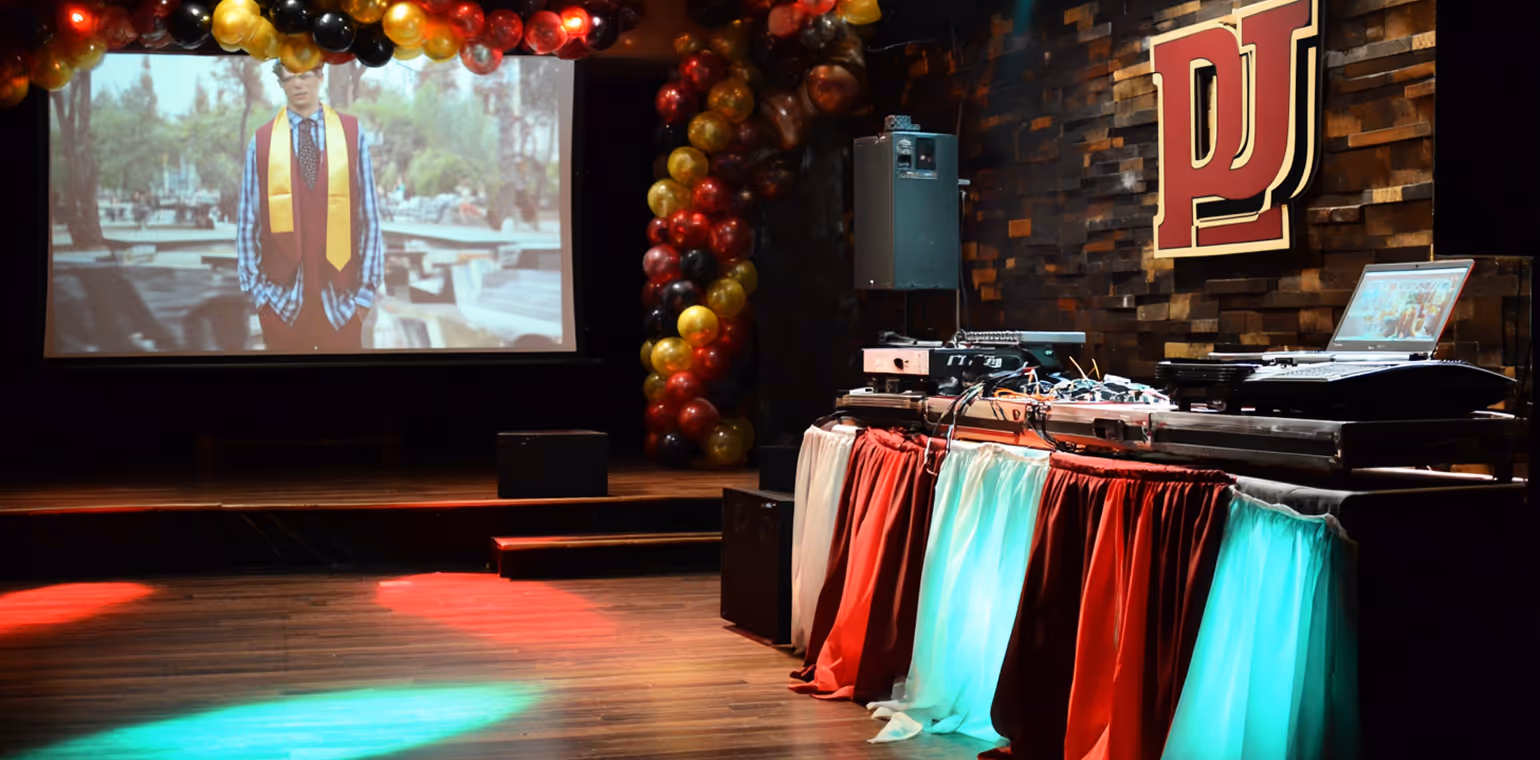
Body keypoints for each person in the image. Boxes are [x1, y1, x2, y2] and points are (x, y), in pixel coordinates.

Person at [237, 63, 383, 352]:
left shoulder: (352, 134)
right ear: (280, 84)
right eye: (288, 78)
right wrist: (260, 298)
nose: (297, 85)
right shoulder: (262, 142)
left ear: (320, 77)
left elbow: (369, 218)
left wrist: (364, 297)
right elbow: (246, 223)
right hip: (281, 305)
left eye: (304, 76)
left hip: (341, 305)